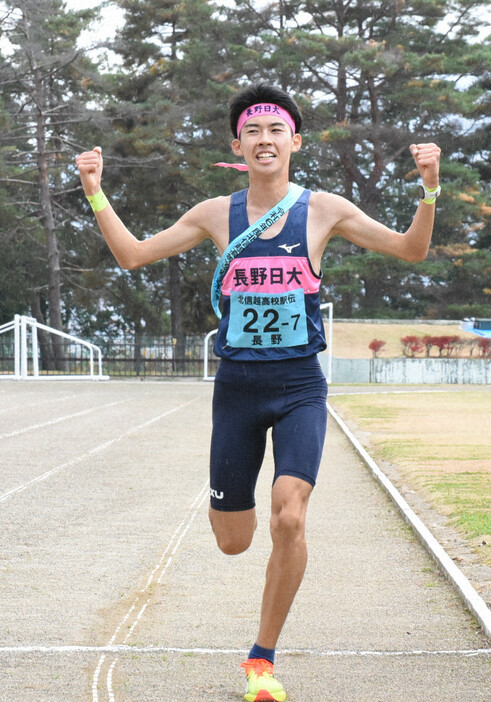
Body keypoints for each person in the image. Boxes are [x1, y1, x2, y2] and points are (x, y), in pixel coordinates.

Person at [76, 83, 441, 702]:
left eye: (276, 130)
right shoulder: (214, 214)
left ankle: (261, 659)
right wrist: (94, 190)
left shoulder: (324, 210)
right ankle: (249, 586)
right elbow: (134, 256)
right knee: (233, 540)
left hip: (300, 385)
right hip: (238, 391)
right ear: (237, 144)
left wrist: (430, 188)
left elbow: (412, 249)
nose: (265, 139)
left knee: (291, 515)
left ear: (294, 142)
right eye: (253, 131)